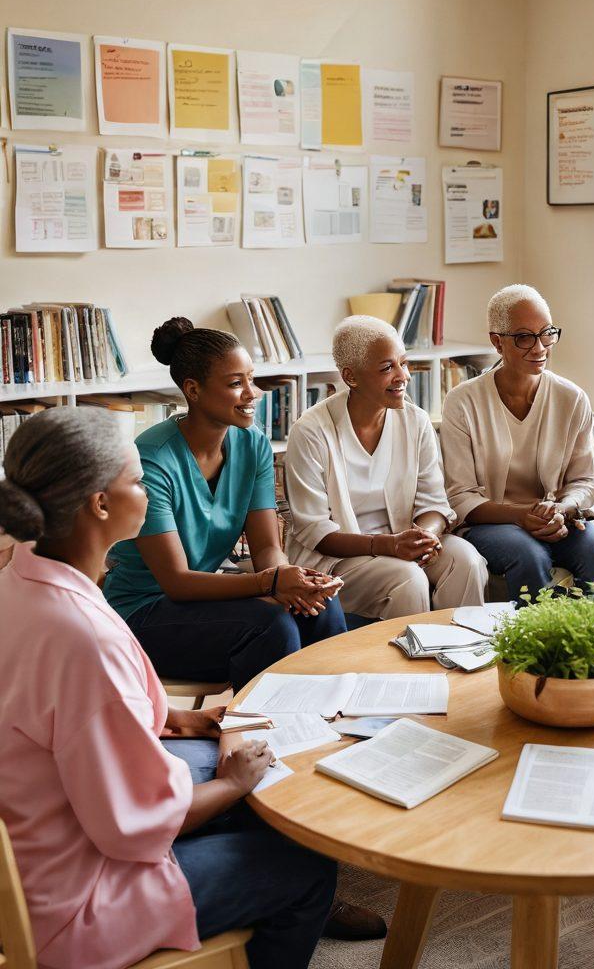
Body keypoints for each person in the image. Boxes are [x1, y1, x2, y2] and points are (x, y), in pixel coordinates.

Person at [0, 407, 380, 969]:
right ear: (100, 505)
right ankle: (277, 902)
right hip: (77, 900)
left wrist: (185, 719)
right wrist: (232, 784)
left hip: (43, 829)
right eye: (137, 481)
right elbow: (131, 829)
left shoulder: (20, 577)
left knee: (233, 763)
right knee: (303, 867)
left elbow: (74, 718)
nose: (150, 494)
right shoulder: (84, 638)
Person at [103, 318, 346, 694]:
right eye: (236, 383)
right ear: (193, 390)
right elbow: (177, 582)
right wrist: (268, 583)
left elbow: (267, 547)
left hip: (203, 601)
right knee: (270, 626)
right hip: (143, 612)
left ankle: (334, 722)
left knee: (318, 608)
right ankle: (262, 736)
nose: (253, 393)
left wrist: (288, 582)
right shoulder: (152, 460)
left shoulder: (253, 445)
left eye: (251, 379)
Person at [285, 316, 487, 620]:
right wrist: (387, 545)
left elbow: (434, 501)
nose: (402, 376)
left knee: (466, 561)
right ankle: (408, 663)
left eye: (403, 363)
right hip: (336, 559)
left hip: (401, 543)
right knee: (407, 578)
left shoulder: (416, 421)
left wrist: (426, 536)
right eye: (386, 368)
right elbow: (316, 532)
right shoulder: (310, 432)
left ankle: (461, 654)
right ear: (351, 376)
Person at [440, 284, 594, 600]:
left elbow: (586, 480)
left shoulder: (571, 398)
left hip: (557, 516)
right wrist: (522, 515)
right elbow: (460, 496)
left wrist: (561, 508)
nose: (540, 348)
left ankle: (586, 642)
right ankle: (532, 646)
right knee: (529, 555)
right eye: (524, 337)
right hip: (494, 523)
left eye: (547, 333)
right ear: (497, 341)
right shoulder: (462, 402)